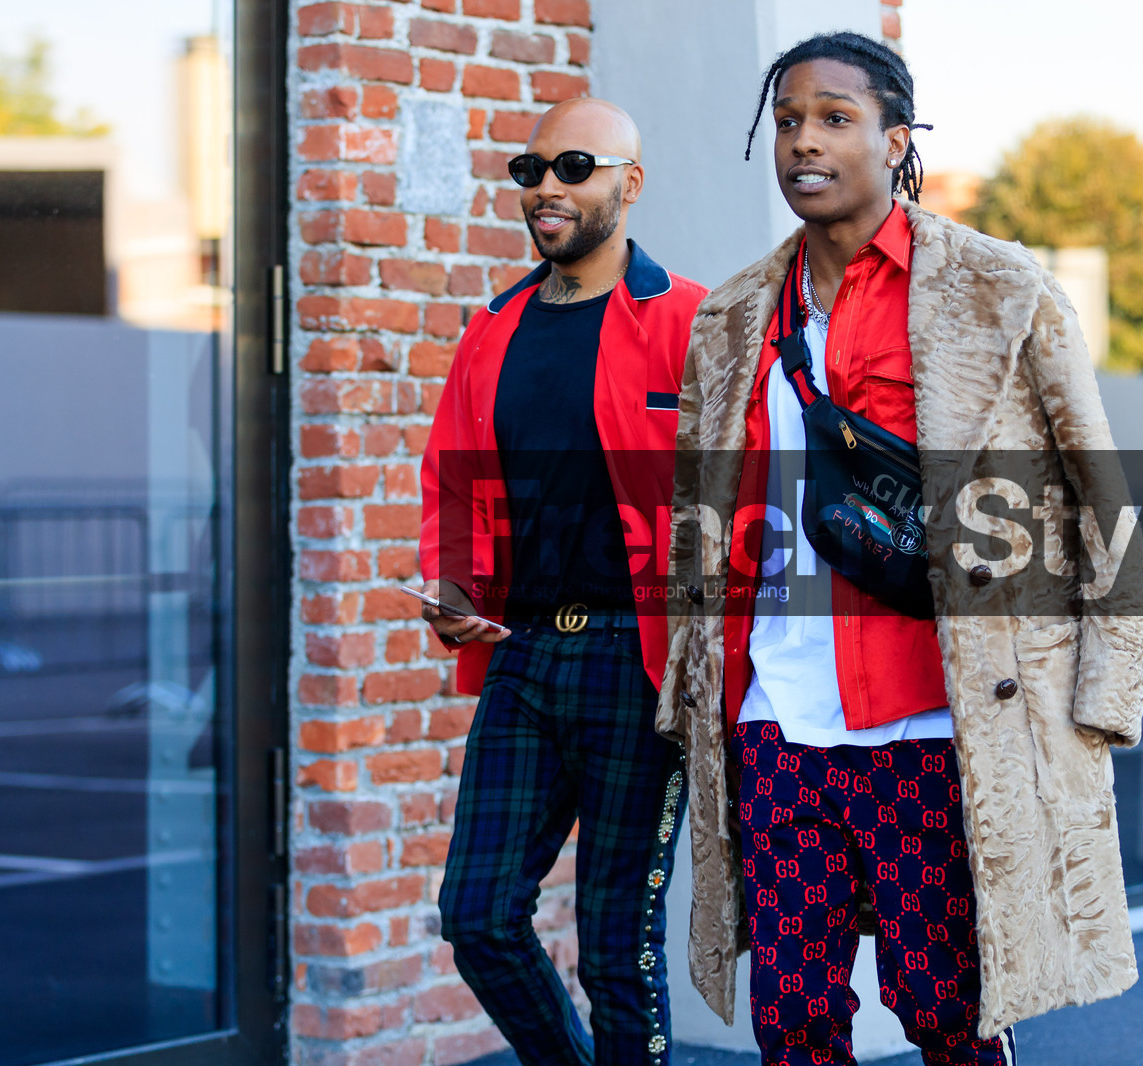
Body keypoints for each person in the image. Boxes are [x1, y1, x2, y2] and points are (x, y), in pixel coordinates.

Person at [657, 33, 1143, 1066]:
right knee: (790, 1013)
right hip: (775, 714)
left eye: (834, 118)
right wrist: (688, 678)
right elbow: (700, 511)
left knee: (941, 1003)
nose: (804, 141)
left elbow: (1098, 493)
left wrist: (1109, 687)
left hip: (935, 714)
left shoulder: (997, 291)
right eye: (787, 119)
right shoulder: (736, 315)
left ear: (896, 139)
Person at [418, 98, 708, 1063]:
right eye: (529, 168)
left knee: (617, 951)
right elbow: (452, 488)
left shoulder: (692, 321)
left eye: (574, 166)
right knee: (478, 917)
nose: (546, 186)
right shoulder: (491, 331)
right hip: (526, 656)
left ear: (628, 184)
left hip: (640, 661)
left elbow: (742, 497)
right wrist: (453, 587)